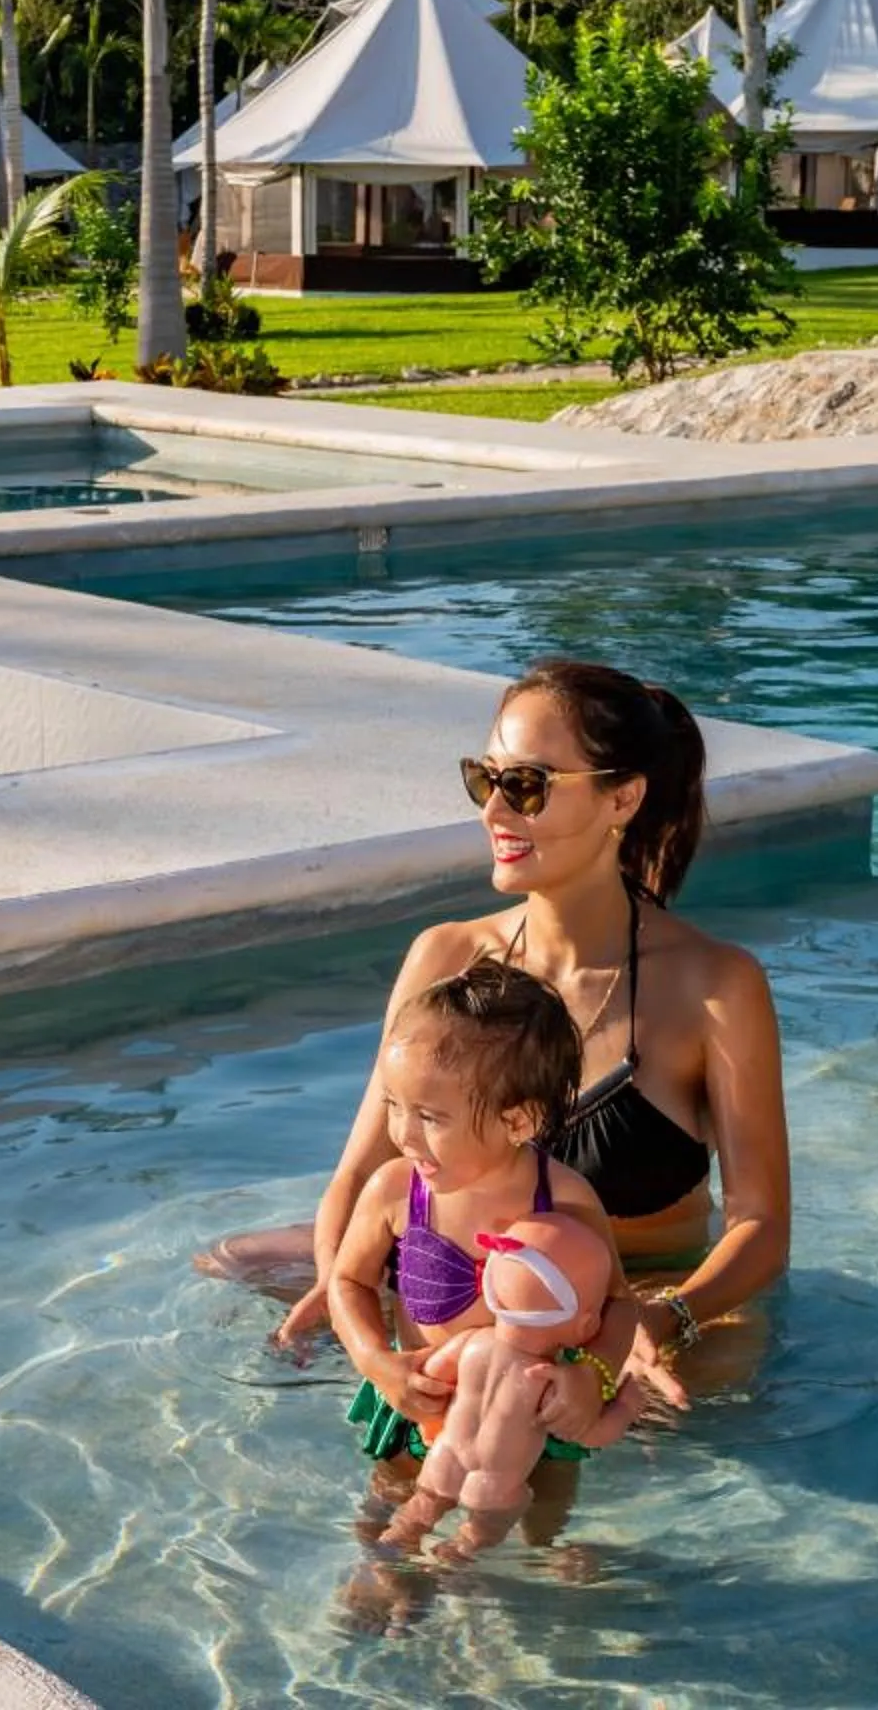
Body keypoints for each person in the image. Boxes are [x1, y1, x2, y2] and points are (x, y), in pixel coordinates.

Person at [217, 656, 792, 1430]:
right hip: (459, 1279)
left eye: (525, 785)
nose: (493, 810)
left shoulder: (713, 986)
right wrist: (340, 1290)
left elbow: (761, 1226)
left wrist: (663, 1319)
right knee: (234, 1261)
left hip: (631, 1295)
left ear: (623, 797)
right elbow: (362, 1170)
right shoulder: (447, 957)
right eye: (483, 780)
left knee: (653, 1417)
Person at [323, 960, 631, 1554]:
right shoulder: (396, 1188)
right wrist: (376, 1361)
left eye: (429, 1117)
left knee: (545, 1536)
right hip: (421, 1407)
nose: (403, 1133)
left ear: (519, 1119)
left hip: (532, 1422)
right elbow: (349, 1281)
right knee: (386, 1531)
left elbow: (619, 1304)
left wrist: (592, 1378)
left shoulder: (564, 1197)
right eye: (393, 1105)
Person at [374, 1208, 636, 1558]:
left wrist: (432, 1422)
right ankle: (453, 1559)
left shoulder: (471, 1343)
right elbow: (586, 1433)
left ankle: (395, 1546)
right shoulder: (545, 1379)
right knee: (478, 1535)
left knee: (419, 1510)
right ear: (586, 1325)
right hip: (494, 1486)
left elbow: (431, 1375)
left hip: (443, 1459)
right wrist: (625, 1407)